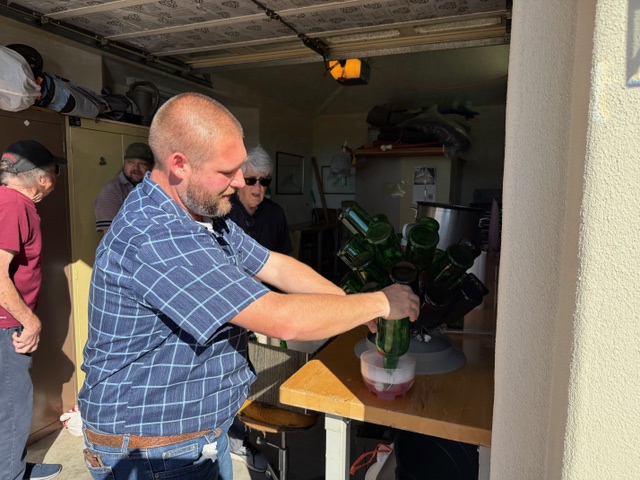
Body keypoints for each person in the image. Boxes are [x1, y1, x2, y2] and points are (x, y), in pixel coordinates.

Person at [78, 92, 419, 480]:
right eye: (228, 171)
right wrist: (379, 303)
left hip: (202, 431)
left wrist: (349, 304)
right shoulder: (156, 235)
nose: (240, 181)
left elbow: (274, 264)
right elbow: (280, 319)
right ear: (179, 165)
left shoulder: (200, 213)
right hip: (155, 450)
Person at [0, 140, 67, 480]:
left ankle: (12, 465)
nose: (56, 179)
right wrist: (30, 322)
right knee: (12, 406)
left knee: (10, 402)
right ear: (42, 178)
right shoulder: (13, 205)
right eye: (56, 172)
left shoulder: (11, 202)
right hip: (5, 326)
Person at [225, 145, 290, 472]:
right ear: (239, 179)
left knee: (265, 371)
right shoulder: (222, 212)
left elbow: (286, 262)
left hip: (266, 310)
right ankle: (236, 438)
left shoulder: (275, 214)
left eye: (265, 181)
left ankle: (256, 427)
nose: (258, 188)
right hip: (230, 310)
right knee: (231, 374)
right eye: (251, 180)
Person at [93, 142, 154, 232]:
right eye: (131, 162)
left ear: (151, 167)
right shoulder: (111, 191)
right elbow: (111, 236)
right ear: (124, 164)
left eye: (142, 164)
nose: (136, 168)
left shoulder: (154, 188)